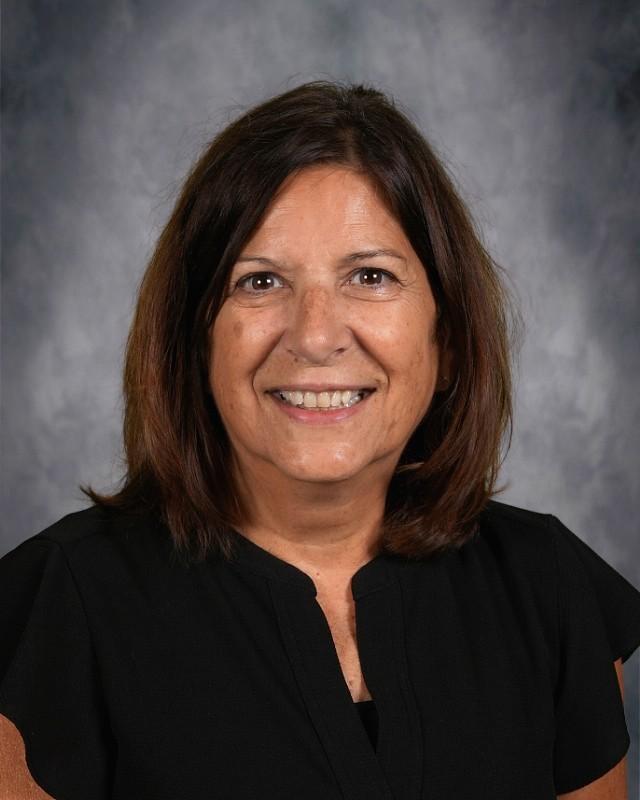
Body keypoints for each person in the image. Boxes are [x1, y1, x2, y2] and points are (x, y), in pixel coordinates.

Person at [1, 79, 639, 800]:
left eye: (370, 275)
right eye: (259, 282)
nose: (314, 335)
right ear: (195, 338)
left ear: (449, 338)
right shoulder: (61, 609)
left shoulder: (547, 588)